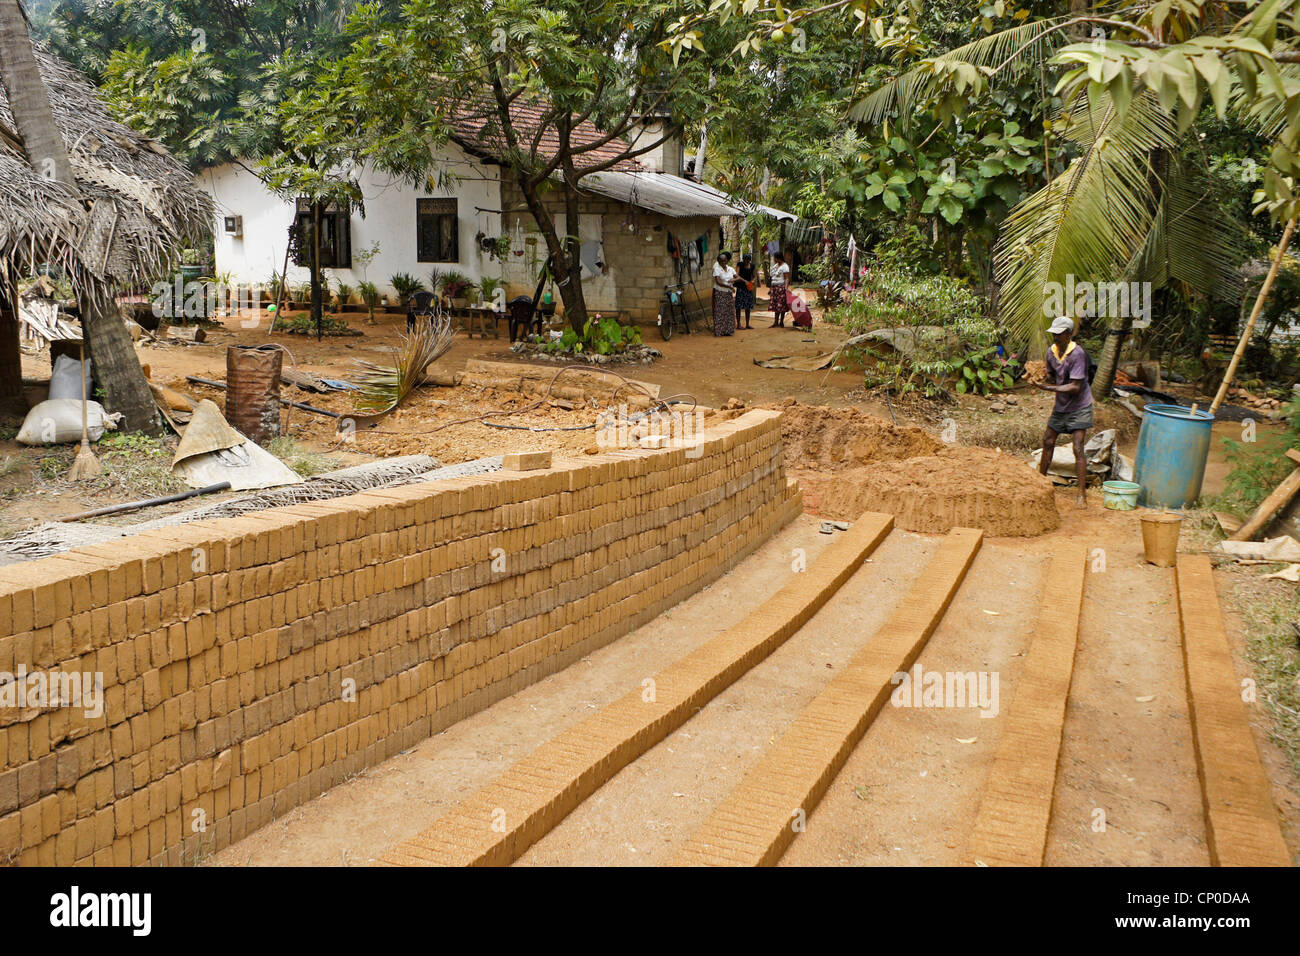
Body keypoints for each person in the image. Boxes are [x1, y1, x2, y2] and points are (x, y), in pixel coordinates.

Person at [1035, 316, 1094, 508]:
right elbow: (1052, 376)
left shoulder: (1078, 354)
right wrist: (1038, 375)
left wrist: (1048, 389)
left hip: (1080, 406)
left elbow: (1075, 387)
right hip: (1061, 407)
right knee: (1048, 440)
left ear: (1069, 334)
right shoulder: (1051, 353)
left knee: (1078, 447)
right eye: (1054, 334)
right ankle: (1039, 484)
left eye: (1059, 334)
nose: (1055, 337)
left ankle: (1081, 495)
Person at [711, 252, 738, 336]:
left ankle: (728, 331)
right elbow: (718, 282)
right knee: (720, 312)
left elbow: (737, 277)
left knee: (729, 312)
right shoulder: (717, 269)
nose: (723, 262)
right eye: (721, 261)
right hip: (720, 293)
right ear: (718, 261)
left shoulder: (730, 269)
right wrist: (729, 286)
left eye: (725, 260)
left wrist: (732, 281)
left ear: (727, 260)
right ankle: (720, 331)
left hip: (728, 294)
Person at [735, 253, 756, 329]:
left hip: (748, 288)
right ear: (743, 259)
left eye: (748, 260)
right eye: (745, 260)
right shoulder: (739, 264)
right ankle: (738, 324)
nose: (746, 261)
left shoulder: (752, 266)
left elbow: (754, 276)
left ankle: (747, 324)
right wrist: (744, 281)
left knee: (748, 307)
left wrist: (753, 281)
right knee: (739, 307)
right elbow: (736, 274)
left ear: (749, 260)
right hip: (740, 287)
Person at [769, 251, 790, 327]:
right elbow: (772, 277)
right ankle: (775, 322)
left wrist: (786, 288)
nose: (774, 259)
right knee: (776, 305)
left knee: (781, 305)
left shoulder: (785, 266)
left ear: (778, 258)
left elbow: (787, 278)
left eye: (775, 257)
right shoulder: (775, 266)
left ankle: (781, 321)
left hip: (781, 287)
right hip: (774, 287)